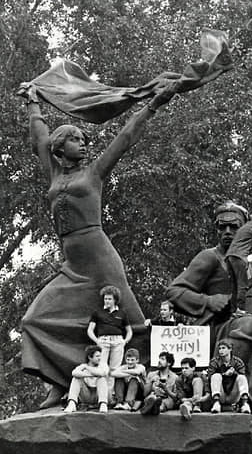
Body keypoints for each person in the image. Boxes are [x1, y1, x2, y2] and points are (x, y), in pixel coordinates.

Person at [19, 82, 176, 408]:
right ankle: (61, 381)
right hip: (73, 265)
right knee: (33, 320)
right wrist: (33, 103)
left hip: (100, 258)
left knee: (133, 324)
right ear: (59, 148)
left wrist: (153, 105)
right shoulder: (53, 175)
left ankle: (150, 387)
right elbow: (39, 140)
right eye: (75, 139)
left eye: (84, 139)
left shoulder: (94, 173)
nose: (83, 144)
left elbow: (124, 138)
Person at [166, 202, 252, 409]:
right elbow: (174, 292)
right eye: (223, 227)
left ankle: (236, 396)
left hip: (240, 328)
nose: (228, 232)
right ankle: (222, 395)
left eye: (234, 227)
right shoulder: (209, 257)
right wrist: (209, 301)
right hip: (216, 328)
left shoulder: (244, 263)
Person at [87, 285, 133, 399]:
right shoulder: (97, 312)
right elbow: (90, 330)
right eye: (105, 298)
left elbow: (129, 331)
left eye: (109, 299)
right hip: (103, 341)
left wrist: (124, 341)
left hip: (118, 341)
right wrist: (97, 341)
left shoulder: (122, 313)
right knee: (102, 369)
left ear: (115, 300)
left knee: (113, 370)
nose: (107, 301)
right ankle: (100, 396)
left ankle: (109, 397)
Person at [208, 339, 251, 414]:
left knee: (241, 377)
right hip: (221, 394)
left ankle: (245, 404)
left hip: (233, 394)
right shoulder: (214, 362)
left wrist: (234, 373)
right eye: (220, 348)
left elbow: (242, 376)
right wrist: (224, 374)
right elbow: (210, 377)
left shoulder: (238, 362)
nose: (221, 350)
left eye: (223, 348)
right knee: (215, 376)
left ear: (230, 349)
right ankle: (216, 403)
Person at [64, 345, 109, 413]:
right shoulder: (83, 366)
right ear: (90, 357)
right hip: (86, 395)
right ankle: (72, 404)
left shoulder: (103, 365)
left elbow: (102, 373)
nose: (100, 358)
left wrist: (87, 368)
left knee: (101, 379)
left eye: (100, 356)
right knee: (76, 379)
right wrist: (88, 375)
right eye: (97, 356)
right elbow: (74, 373)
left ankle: (103, 404)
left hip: (98, 396)